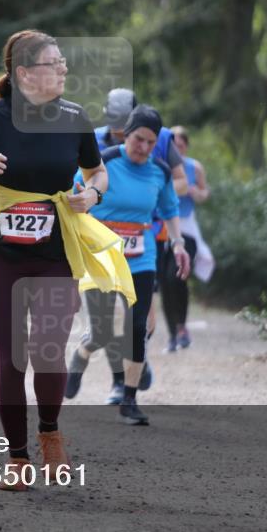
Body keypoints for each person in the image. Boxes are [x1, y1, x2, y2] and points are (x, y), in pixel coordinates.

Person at [0, 30, 135, 490]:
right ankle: (16, 459)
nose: (64, 69)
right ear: (25, 73)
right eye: (54, 63)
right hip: (1, 250)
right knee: (11, 356)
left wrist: (92, 193)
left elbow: (97, 171)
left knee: (48, 350)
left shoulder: (73, 117)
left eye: (64, 61)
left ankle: (50, 433)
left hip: (55, 249)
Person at [64, 105, 190, 425]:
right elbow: (75, 195)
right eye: (138, 140)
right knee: (102, 333)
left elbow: (170, 209)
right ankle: (80, 358)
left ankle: (129, 401)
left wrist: (177, 245)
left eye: (151, 142)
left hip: (140, 259)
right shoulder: (103, 161)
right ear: (125, 134)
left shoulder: (159, 171)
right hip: (101, 257)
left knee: (137, 329)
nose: (144, 148)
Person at [159, 126, 215, 352]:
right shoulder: (159, 165)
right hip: (160, 229)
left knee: (176, 277)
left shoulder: (194, 167)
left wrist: (194, 192)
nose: (177, 149)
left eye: (180, 146)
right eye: (173, 146)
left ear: (186, 146)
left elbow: (204, 193)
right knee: (163, 281)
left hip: (186, 229)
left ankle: (182, 326)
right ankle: (172, 335)